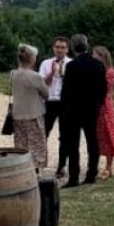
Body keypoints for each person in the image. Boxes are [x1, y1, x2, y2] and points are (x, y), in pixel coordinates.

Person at [58, 34, 107, 188]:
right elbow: (103, 89)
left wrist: (64, 108)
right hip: (91, 109)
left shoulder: (71, 66)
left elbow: (66, 91)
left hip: (73, 110)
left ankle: (73, 176)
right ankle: (91, 173)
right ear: (87, 45)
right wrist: (98, 104)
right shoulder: (98, 65)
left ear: (72, 47)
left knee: (73, 144)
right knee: (92, 141)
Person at [9, 43, 50, 168]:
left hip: (17, 115)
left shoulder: (12, 74)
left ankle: (22, 168)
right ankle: (37, 170)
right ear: (32, 59)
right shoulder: (35, 76)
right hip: (33, 114)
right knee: (37, 146)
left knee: (21, 145)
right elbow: (46, 94)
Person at [92, 45, 114, 178]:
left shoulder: (109, 72)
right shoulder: (97, 70)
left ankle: (109, 166)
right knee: (97, 136)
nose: (93, 57)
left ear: (102, 56)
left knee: (108, 134)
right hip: (96, 105)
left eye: (96, 55)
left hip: (104, 105)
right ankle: (97, 164)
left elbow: (105, 89)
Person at [39, 37, 71, 177]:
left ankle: (61, 166)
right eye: (57, 47)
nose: (60, 50)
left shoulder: (72, 63)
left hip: (65, 102)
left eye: (63, 47)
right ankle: (39, 162)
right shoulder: (46, 63)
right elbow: (42, 84)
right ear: (53, 48)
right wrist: (52, 72)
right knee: (43, 132)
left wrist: (63, 74)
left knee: (64, 136)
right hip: (50, 100)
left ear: (67, 49)